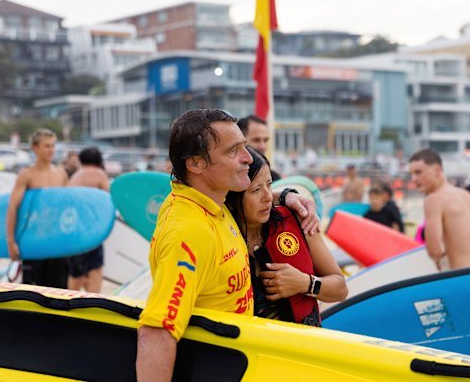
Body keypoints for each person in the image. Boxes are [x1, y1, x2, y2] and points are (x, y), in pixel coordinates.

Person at [136, 109, 319, 381]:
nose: (248, 158)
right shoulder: (189, 231)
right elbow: (157, 331)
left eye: (245, 146)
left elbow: (253, 194)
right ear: (196, 164)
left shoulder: (212, 202)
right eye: (234, 151)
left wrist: (286, 196)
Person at [226, 147, 347, 326]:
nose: (267, 197)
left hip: (301, 345)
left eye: (269, 185)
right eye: (256, 190)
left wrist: (305, 283)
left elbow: (341, 289)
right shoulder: (219, 233)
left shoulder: (298, 220)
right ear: (232, 198)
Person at [6, 128, 69, 288]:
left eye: (53, 146)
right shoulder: (27, 175)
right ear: (35, 148)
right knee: (34, 294)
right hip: (34, 241)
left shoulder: (61, 174)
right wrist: (11, 241)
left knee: (59, 293)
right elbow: (13, 208)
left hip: (58, 242)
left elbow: (68, 209)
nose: (51, 150)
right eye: (46, 146)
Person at [408, 149, 470, 271]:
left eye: (418, 172)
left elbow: (434, 251)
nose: (413, 179)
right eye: (411, 174)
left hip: (463, 279)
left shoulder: (433, 200)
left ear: (437, 170)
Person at [66, 147, 110, 293]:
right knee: (95, 271)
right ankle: (94, 303)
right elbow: (108, 200)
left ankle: (70, 303)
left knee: (75, 273)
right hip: (92, 230)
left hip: (74, 231)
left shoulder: (74, 177)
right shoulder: (99, 174)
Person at [237, 115, 281, 180]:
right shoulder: (230, 178)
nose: (262, 147)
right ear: (240, 140)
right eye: (256, 140)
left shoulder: (274, 178)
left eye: (265, 140)